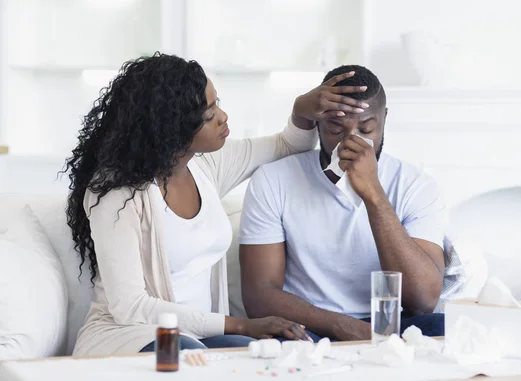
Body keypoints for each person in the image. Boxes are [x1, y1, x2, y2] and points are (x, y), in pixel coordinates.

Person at [64, 53, 370, 356]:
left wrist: (302, 110)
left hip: (198, 338)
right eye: (209, 114)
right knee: (192, 354)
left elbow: (287, 146)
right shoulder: (117, 194)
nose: (223, 117)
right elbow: (129, 307)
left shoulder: (206, 165)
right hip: (128, 335)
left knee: (260, 357)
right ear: (172, 126)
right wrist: (238, 325)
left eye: (217, 103)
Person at [239, 65, 447, 342]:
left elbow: (422, 300)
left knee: (442, 327)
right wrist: (341, 326)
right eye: (336, 128)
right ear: (318, 123)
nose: (351, 142)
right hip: (309, 325)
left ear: (384, 119)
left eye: (366, 128)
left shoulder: (416, 186)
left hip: (389, 322)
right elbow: (259, 295)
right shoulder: (274, 179)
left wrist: (374, 195)